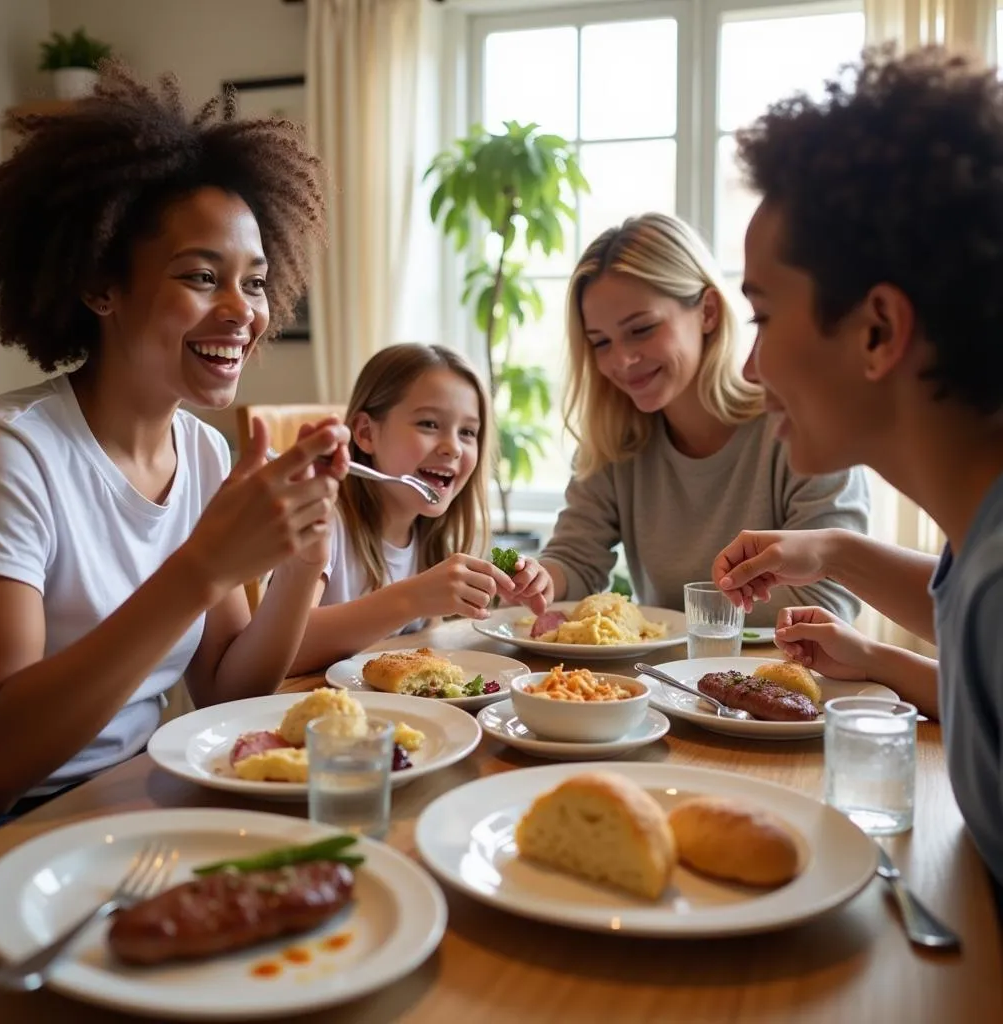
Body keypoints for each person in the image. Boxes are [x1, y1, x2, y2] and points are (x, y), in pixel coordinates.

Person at [0, 63, 350, 830]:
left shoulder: (206, 454)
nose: (240, 313)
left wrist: (304, 566)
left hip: (139, 798)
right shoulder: (13, 452)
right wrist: (203, 565)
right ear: (99, 286)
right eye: (200, 276)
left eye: (253, 283)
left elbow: (224, 690)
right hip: (20, 827)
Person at [710, 46, 1003, 896]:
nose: (752, 367)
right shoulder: (980, 548)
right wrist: (833, 552)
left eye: (761, 317)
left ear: (878, 330)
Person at [537, 212, 870, 625]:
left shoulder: (794, 424)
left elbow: (829, 595)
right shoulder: (615, 441)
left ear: (708, 311)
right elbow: (575, 562)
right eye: (601, 342)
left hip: (783, 674)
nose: (621, 360)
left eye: (641, 329)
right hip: (670, 681)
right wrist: (537, 580)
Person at [289, 343, 553, 674]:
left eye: (468, 432)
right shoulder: (324, 522)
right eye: (429, 424)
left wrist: (512, 593)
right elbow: (284, 650)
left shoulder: (429, 535)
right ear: (366, 433)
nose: (453, 447)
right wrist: (411, 598)